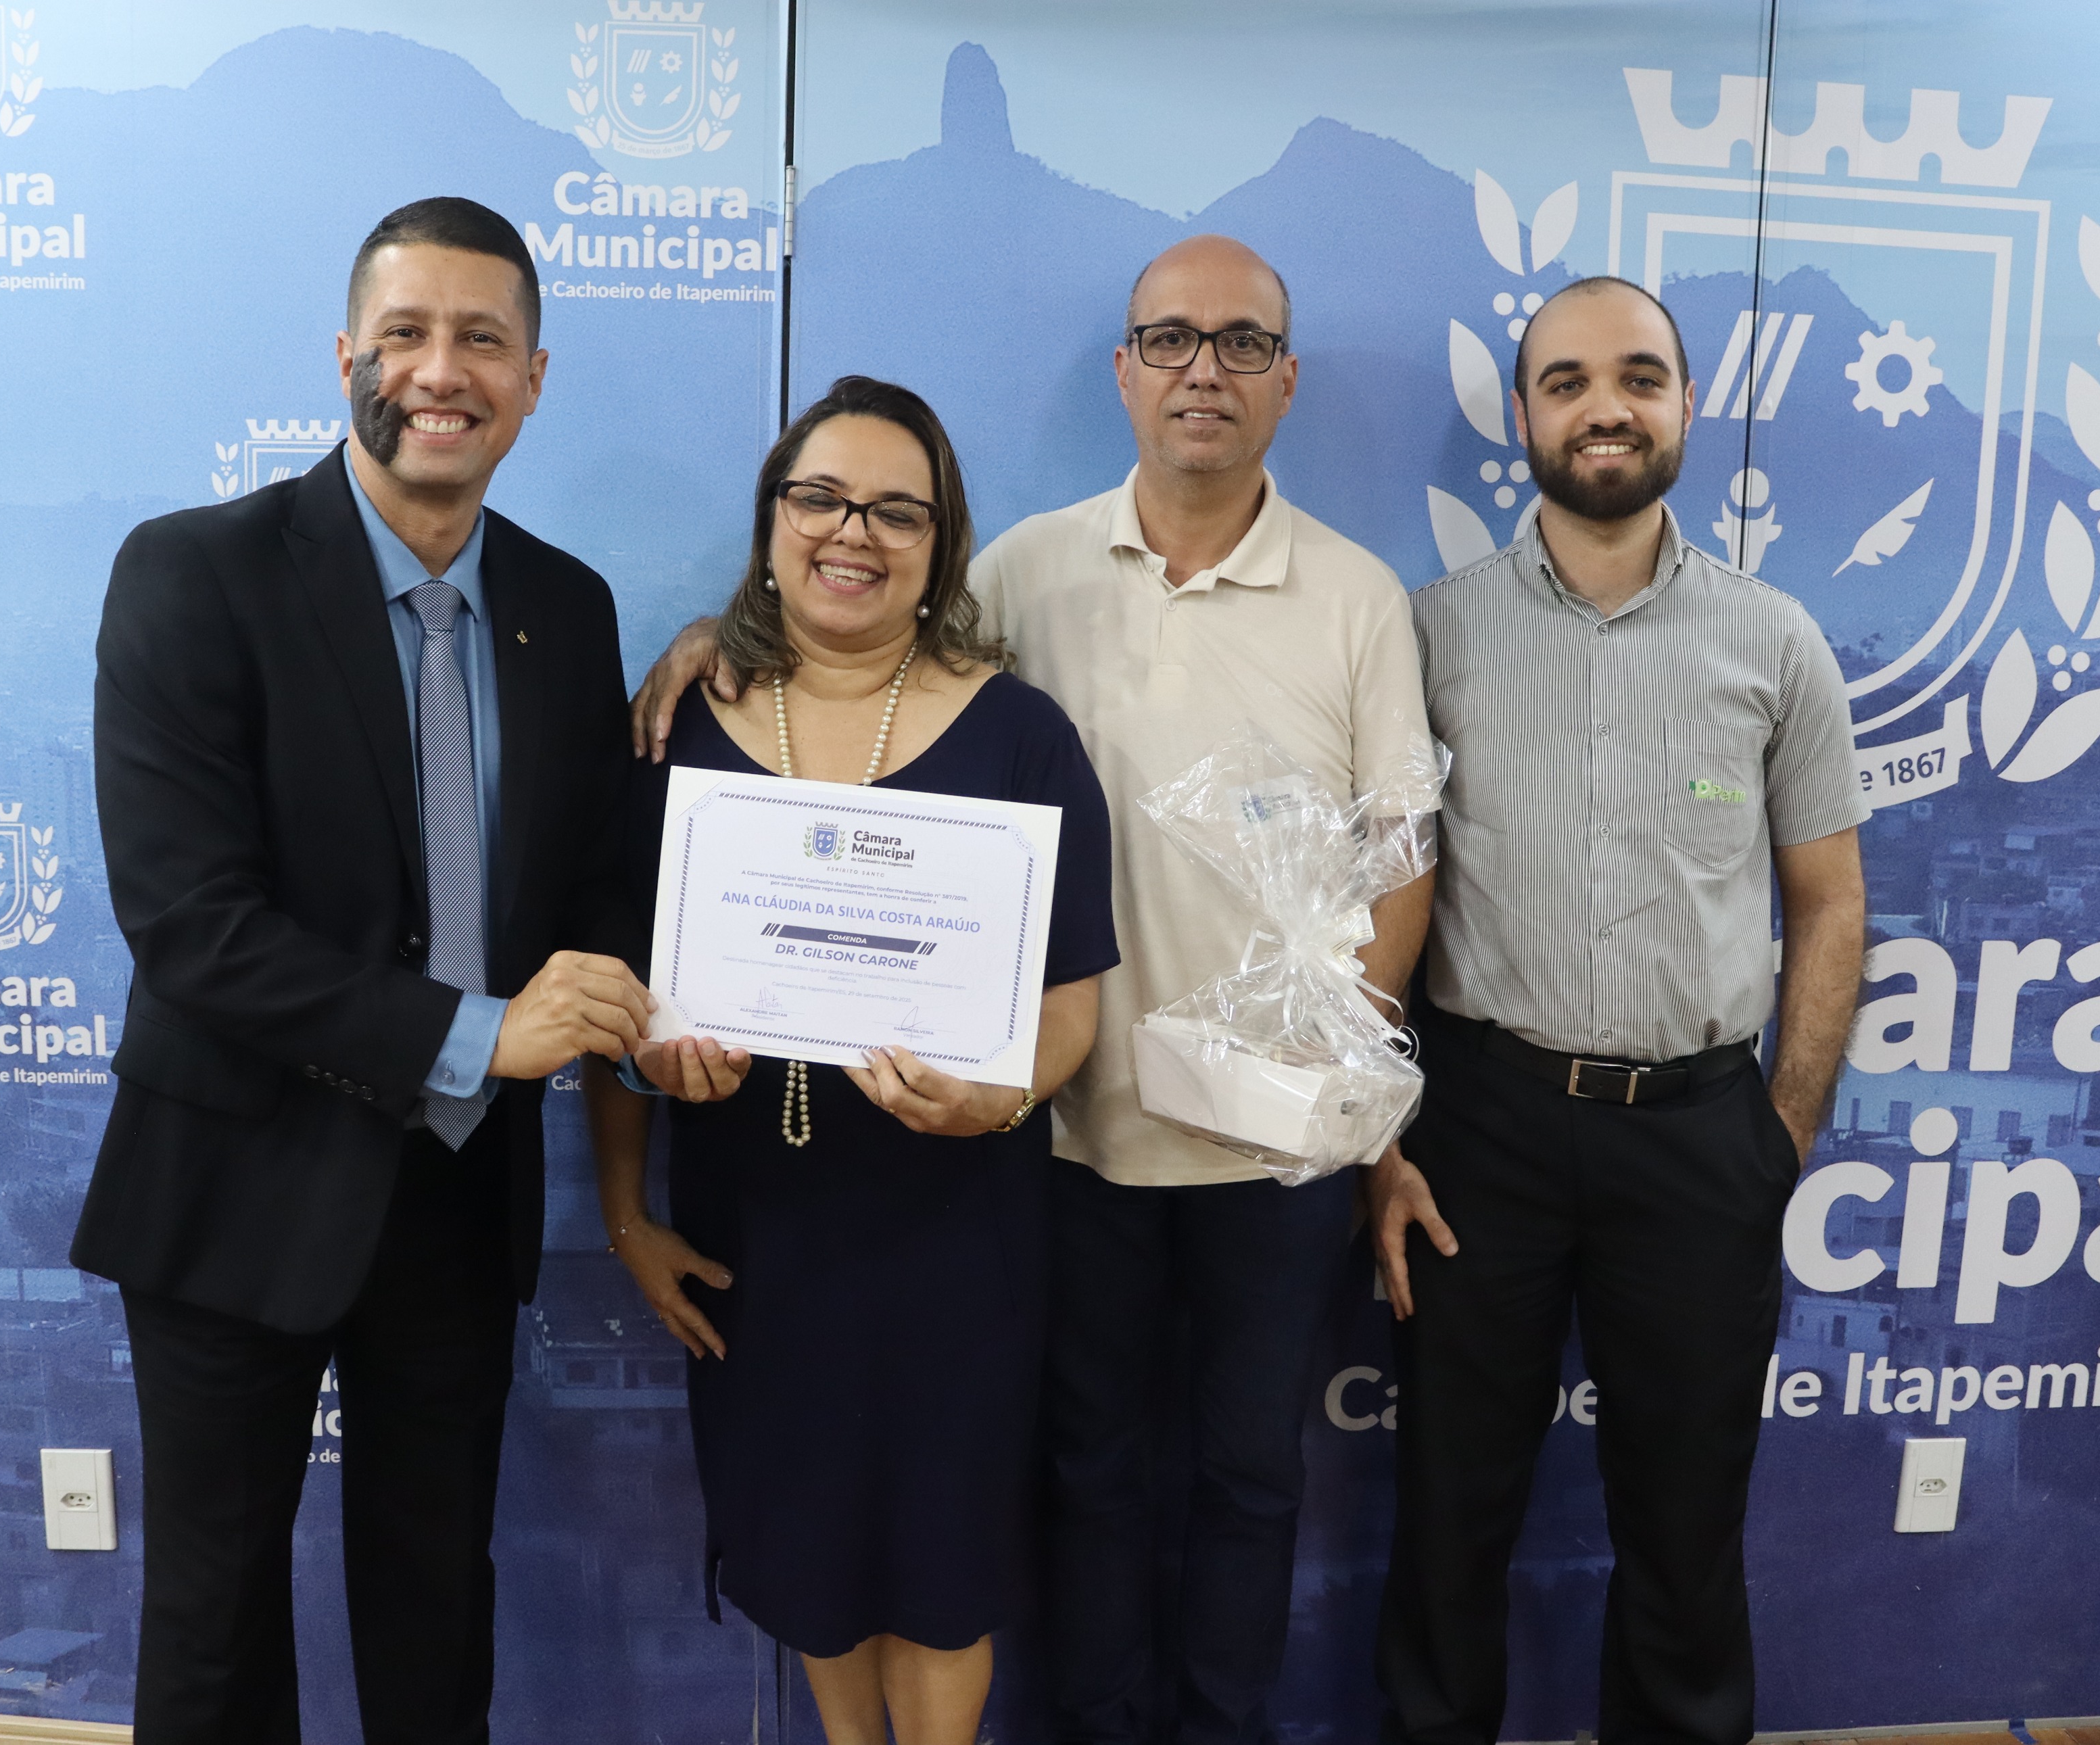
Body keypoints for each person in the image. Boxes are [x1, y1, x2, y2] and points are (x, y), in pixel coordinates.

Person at [632, 237, 1439, 1744]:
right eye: (1171, 339)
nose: (1204, 370)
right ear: (1125, 370)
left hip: (1272, 1146)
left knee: (1253, 1478)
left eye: (1243, 344)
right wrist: (710, 640)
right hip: (1063, 1142)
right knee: (1085, 1478)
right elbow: (854, 633)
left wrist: (1347, 1105)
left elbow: (1402, 866)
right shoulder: (1023, 569)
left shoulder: (1355, 596)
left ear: (1285, 380)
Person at [72, 197, 659, 1743]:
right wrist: (477, 1034)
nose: (440, 370)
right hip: (233, 1183)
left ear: (534, 378)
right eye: (405, 333)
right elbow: (192, 928)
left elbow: (594, 890)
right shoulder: (194, 573)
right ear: (346, 357)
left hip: (454, 1200)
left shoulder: (569, 608)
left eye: (481, 339)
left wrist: (650, 1005)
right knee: (213, 1628)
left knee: (436, 1608)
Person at [1366, 275, 1869, 1745]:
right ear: (1523, 415)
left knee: (1686, 1526)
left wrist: (1776, 1136)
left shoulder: (1774, 641)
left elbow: (1829, 904)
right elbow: (1369, 896)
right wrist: (1379, 1134)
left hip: (1700, 1137)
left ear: (1687, 405)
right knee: (1448, 1513)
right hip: (1478, 1131)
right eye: (1568, 380)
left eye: (1640, 377)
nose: (1607, 408)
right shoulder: (1426, 636)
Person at [588, 375, 1119, 1745]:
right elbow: (612, 998)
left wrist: (1003, 1094)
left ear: (941, 545)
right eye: (820, 498)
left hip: (957, 1236)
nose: (853, 533)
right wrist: (628, 1212)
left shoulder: (1023, 736)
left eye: (897, 511)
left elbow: (1073, 999)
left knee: (942, 1580)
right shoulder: (675, 731)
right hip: (759, 1237)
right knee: (811, 1567)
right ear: (772, 520)